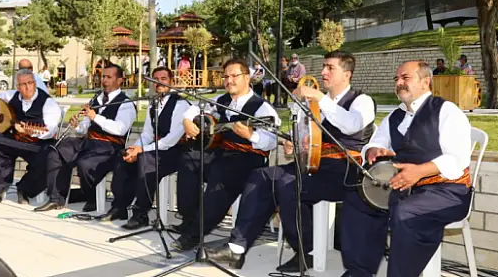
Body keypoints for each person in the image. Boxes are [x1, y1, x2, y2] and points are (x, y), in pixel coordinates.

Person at [206, 51, 377, 272]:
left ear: (347, 74)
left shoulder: (361, 101)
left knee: (288, 186)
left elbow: (353, 125)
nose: (323, 71)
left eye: (330, 68)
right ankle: (237, 249)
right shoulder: (320, 104)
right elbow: (309, 138)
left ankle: (304, 252)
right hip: (314, 167)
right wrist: (295, 144)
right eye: (324, 66)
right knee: (262, 176)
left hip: (345, 172)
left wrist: (320, 98)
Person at [343, 60, 473, 277]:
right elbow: (376, 141)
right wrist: (373, 151)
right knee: (358, 200)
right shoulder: (395, 115)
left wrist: (420, 171)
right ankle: (359, 271)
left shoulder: (447, 111)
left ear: (425, 82)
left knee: (406, 212)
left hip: (447, 190)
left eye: (406, 78)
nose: (399, 83)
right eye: (397, 79)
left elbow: (457, 159)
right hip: (403, 184)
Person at [171, 58, 281, 251]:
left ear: (247, 77)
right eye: (226, 76)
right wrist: (188, 120)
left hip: (248, 159)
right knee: (189, 159)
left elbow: (271, 141)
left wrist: (251, 135)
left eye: (234, 76)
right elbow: (196, 107)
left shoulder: (262, 108)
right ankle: (189, 218)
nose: (229, 80)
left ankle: (193, 235)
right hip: (222, 152)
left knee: (222, 176)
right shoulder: (221, 100)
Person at [35, 64, 137, 215]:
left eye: (109, 77)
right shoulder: (96, 99)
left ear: (120, 80)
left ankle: (91, 195)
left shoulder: (126, 104)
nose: (104, 80)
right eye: (103, 76)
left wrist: (95, 116)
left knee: (85, 164)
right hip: (88, 142)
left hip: (109, 146)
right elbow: (84, 128)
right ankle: (56, 198)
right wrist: (77, 126)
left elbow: (120, 129)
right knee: (56, 150)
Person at [111, 67, 191, 230]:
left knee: (146, 160)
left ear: (171, 81)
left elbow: (171, 139)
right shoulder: (153, 104)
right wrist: (136, 148)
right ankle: (120, 205)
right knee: (124, 155)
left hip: (177, 151)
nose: (158, 82)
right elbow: (147, 133)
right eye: (155, 79)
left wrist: (143, 150)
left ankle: (141, 213)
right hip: (157, 148)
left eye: (163, 79)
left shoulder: (181, 104)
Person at [0, 68, 64, 204]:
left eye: (30, 83)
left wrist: (31, 131)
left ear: (35, 83)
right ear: (17, 86)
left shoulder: (48, 104)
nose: (27, 87)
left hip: (37, 143)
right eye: (23, 84)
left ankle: (24, 189)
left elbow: (50, 129)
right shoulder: (11, 95)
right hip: (15, 139)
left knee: (50, 155)